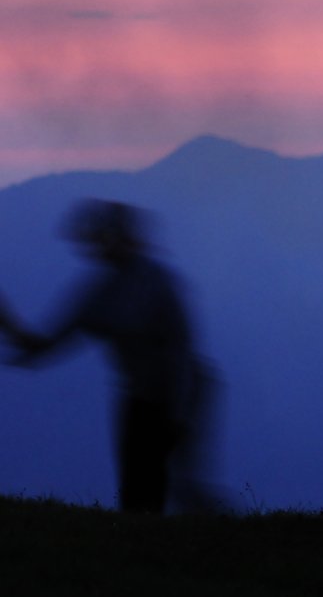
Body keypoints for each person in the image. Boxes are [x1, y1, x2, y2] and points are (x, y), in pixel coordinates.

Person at [1, 199, 214, 514]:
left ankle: (219, 542)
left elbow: (179, 350)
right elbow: (43, 346)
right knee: (145, 486)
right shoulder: (106, 290)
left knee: (174, 483)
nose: (91, 247)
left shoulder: (144, 285)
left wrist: (179, 413)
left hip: (177, 392)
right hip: (144, 397)